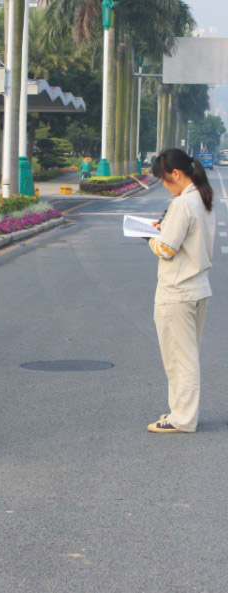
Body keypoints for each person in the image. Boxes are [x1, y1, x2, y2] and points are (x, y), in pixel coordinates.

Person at [147, 148, 215, 433]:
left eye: (164, 179)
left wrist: (151, 236)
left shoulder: (182, 205)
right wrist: (164, 227)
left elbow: (166, 247)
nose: (164, 185)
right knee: (185, 355)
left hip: (177, 292)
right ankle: (180, 411)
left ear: (176, 174)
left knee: (179, 358)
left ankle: (182, 419)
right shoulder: (201, 197)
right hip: (197, 288)